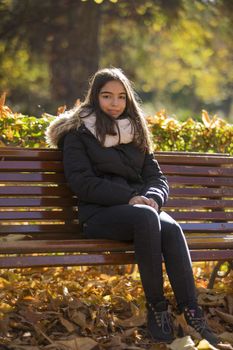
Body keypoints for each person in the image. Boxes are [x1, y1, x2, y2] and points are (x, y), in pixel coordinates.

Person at [46, 67, 219, 345]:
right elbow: (82, 183)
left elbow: (157, 177)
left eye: (121, 97)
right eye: (106, 96)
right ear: (94, 97)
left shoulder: (135, 131)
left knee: (171, 227)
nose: (114, 104)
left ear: (128, 100)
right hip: (99, 215)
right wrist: (130, 199)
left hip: (141, 211)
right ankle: (157, 307)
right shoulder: (78, 133)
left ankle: (192, 311)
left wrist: (153, 197)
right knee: (146, 218)